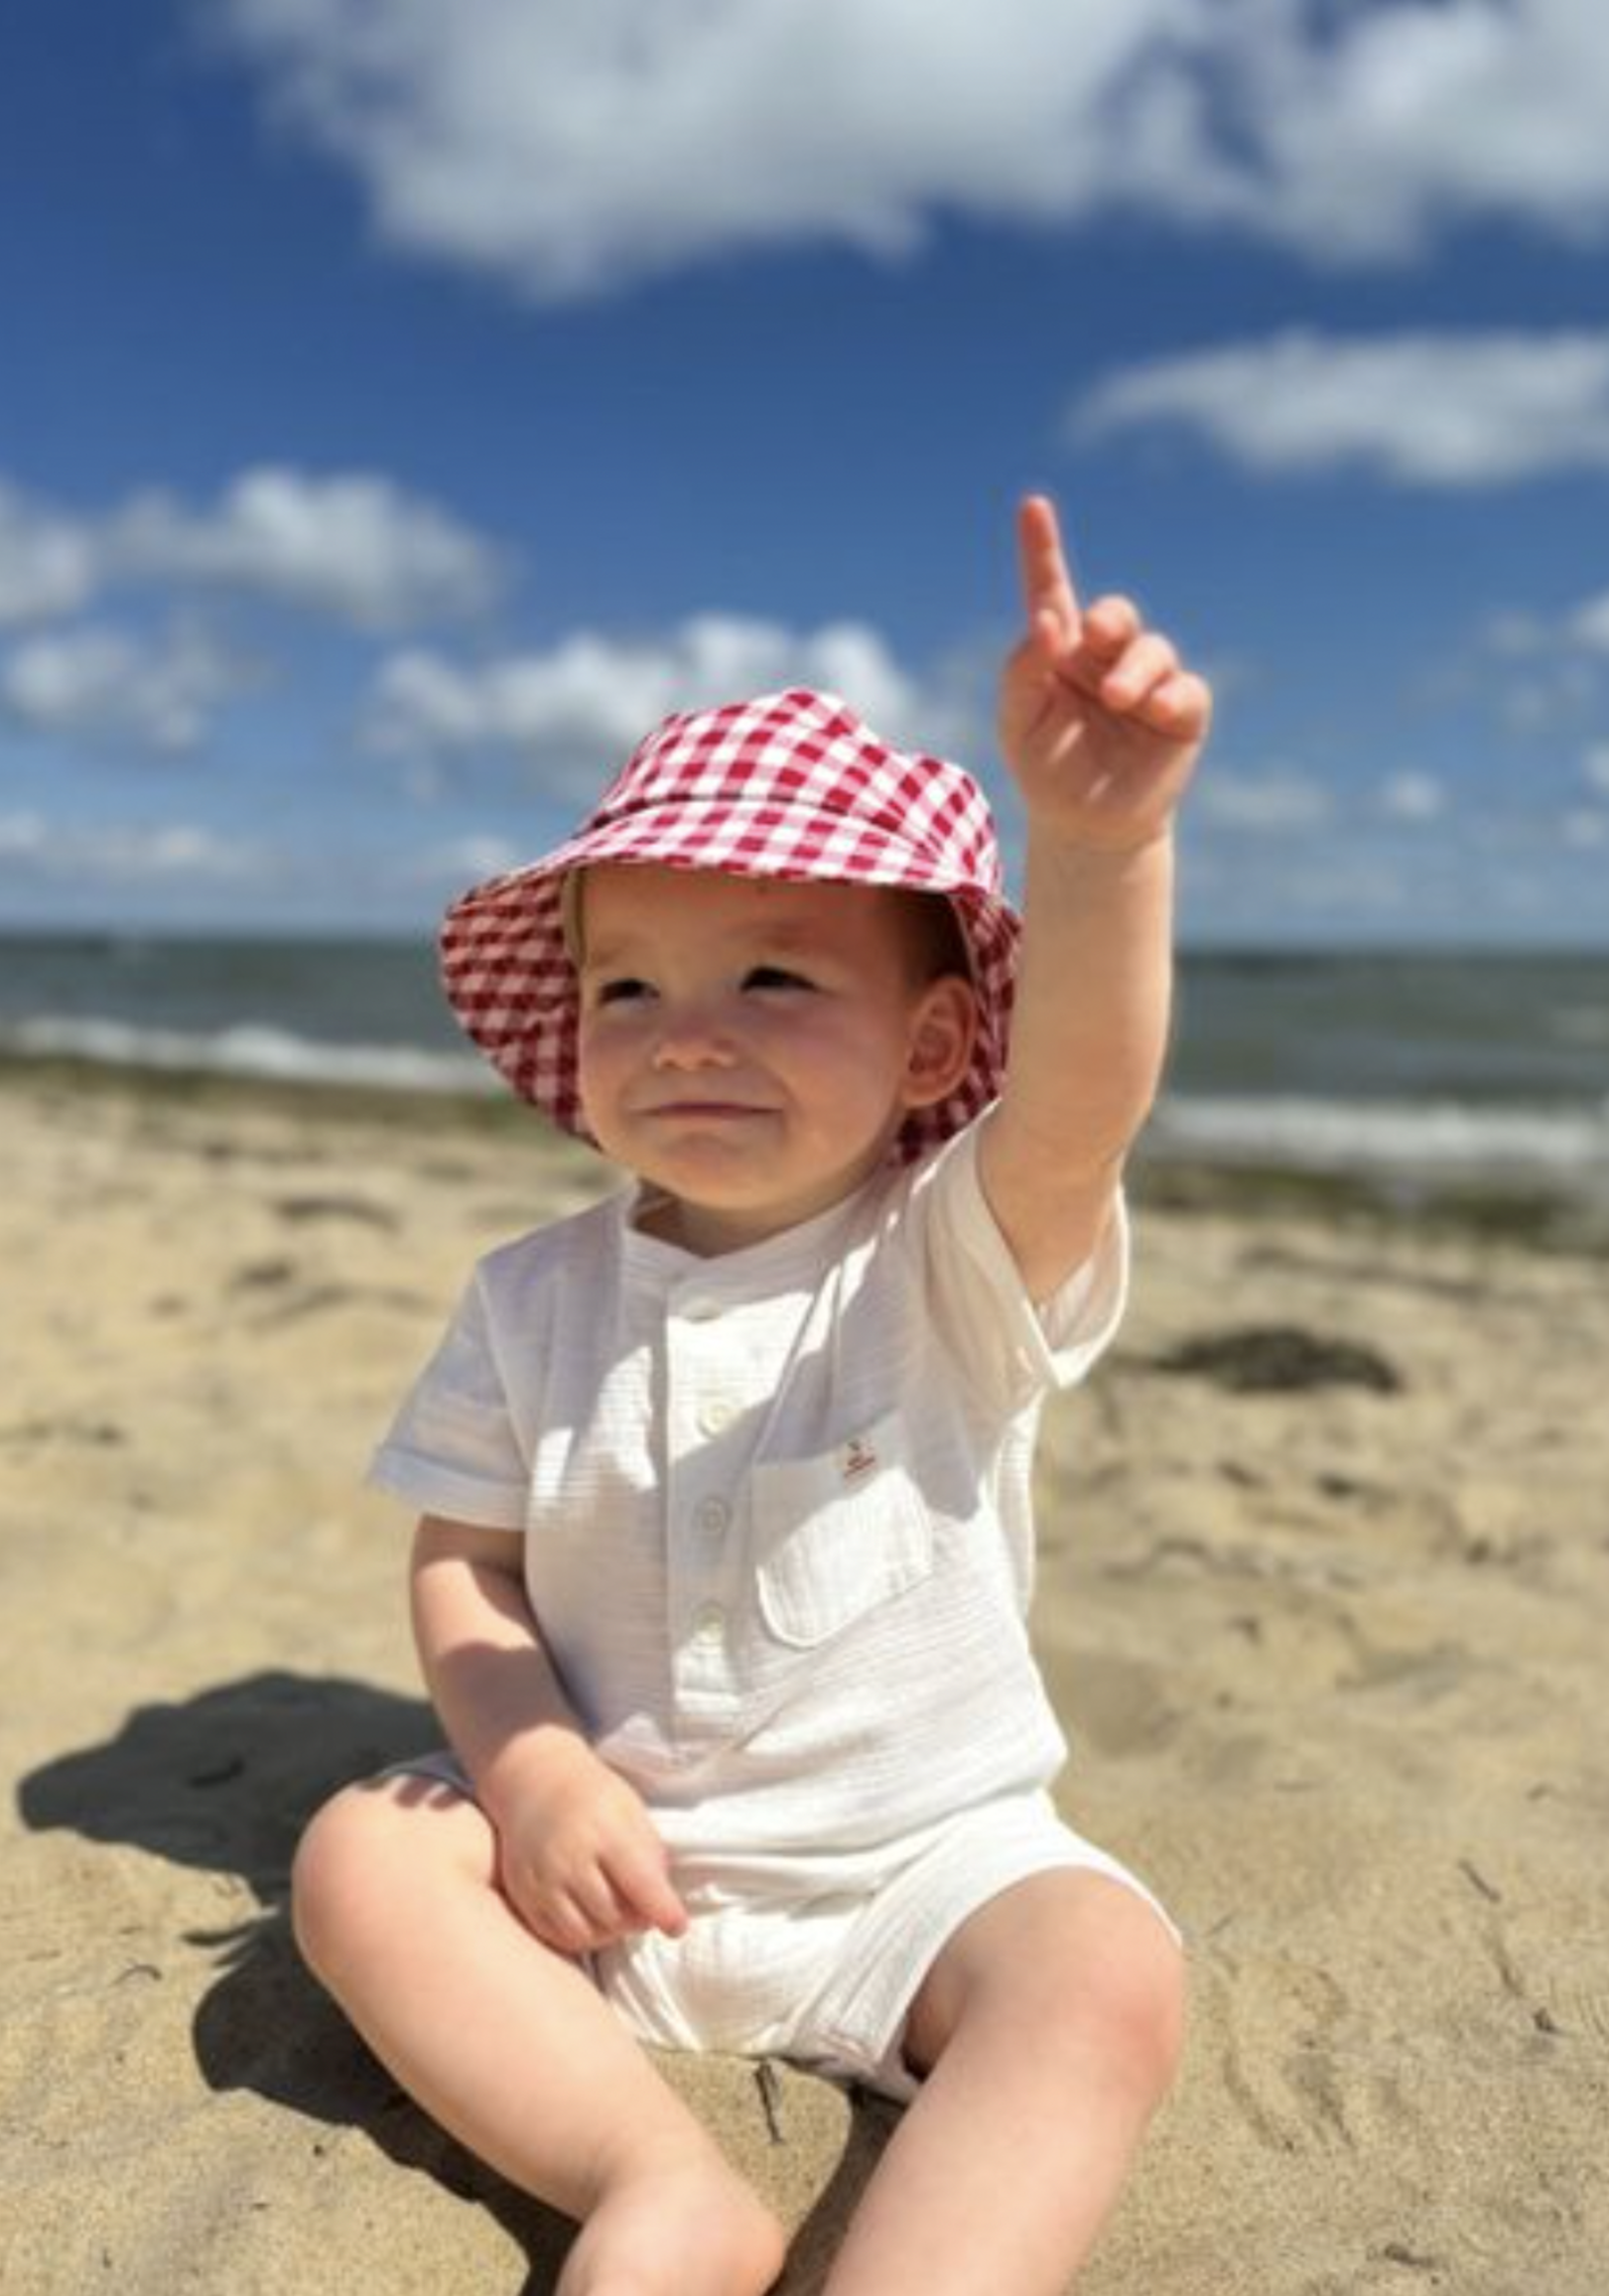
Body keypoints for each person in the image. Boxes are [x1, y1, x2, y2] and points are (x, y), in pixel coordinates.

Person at [292, 494, 1211, 2296]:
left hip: (914, 1878)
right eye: (627, 985)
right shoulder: (532, 1296)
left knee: (1102, 1976)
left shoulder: (955, 1259)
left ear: (934, 1044)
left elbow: (1085, 1100)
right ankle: (654, 2184)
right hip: (606, 1869)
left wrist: (1103, 848)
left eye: (775, 975)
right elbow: (467, 1562)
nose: (687, 1031)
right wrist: (530, 1770)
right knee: (358, 1863)